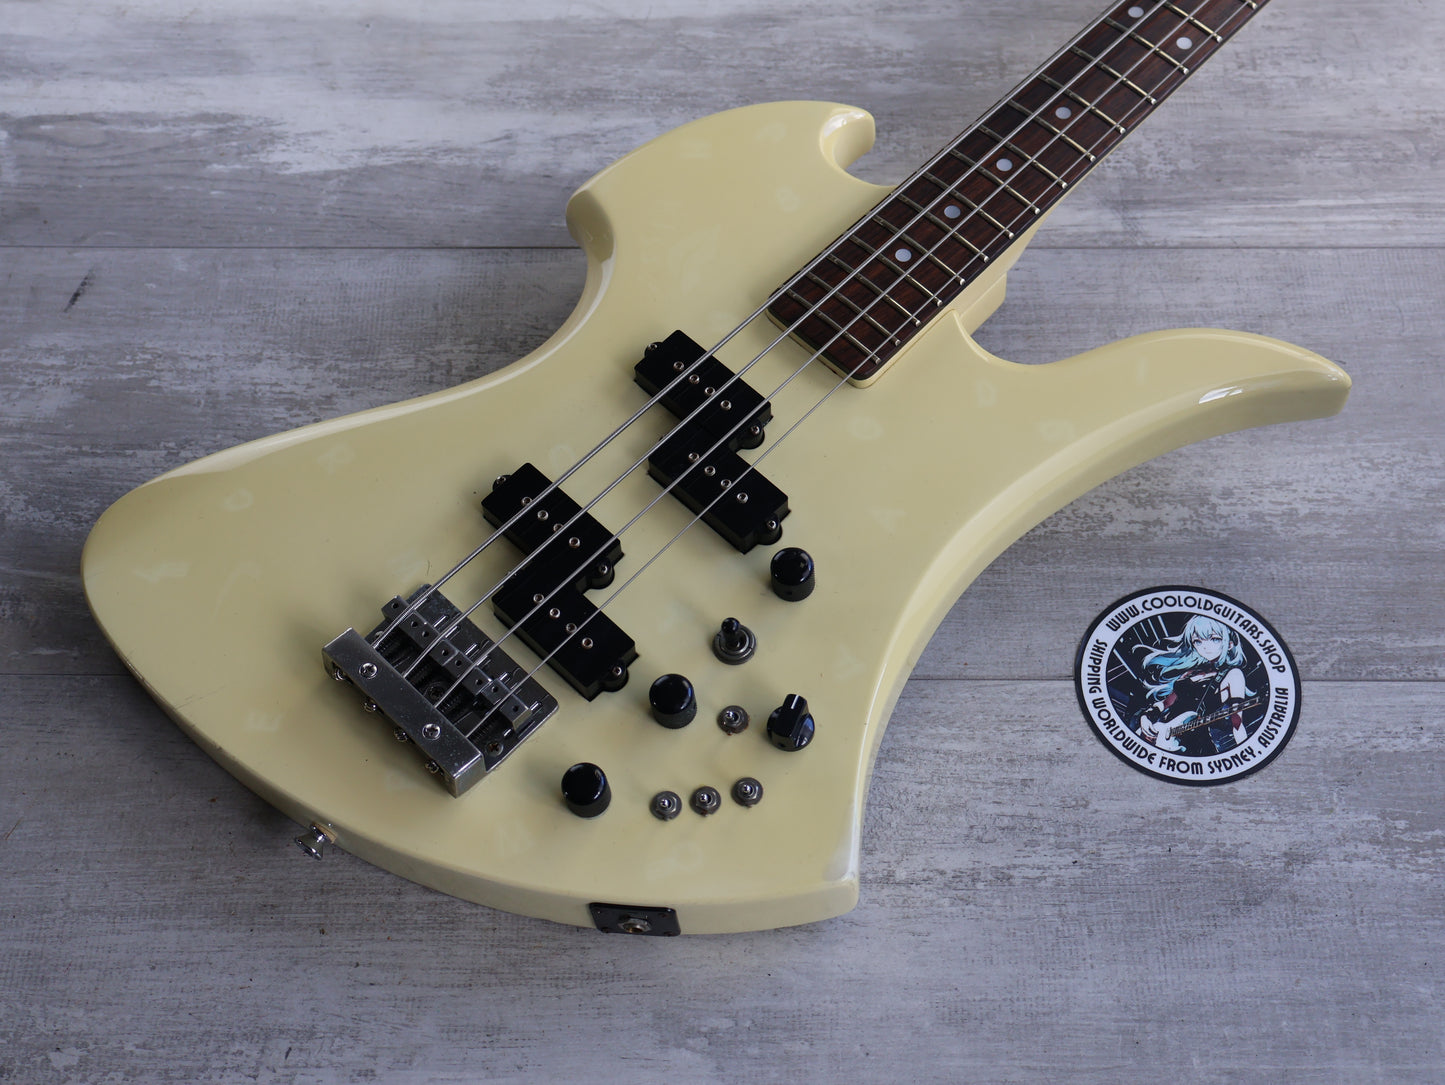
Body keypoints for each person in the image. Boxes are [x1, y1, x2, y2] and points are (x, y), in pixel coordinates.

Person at [1132, 615, 1253, 754]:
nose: (1205, 646)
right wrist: (1146, 717)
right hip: (1163, 735)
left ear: (1230, 644)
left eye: (1215, 639)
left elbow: (1237, 723)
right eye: (1198, 641)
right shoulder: (1190, 672)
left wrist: (1245, 755)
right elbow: (1166, 703)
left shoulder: (1233, 674)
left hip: (1195, 746)